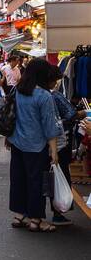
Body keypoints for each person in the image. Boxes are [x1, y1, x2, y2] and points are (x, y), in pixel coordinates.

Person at [6, 59, 64, 233]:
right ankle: (36, 220)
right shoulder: (44, 96)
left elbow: (11, 115)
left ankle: (19, 215)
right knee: (37, 182)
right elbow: (49, 126)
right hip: (37, 146)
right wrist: (54, 150)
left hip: (17, 143)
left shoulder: (18, 90)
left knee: (18, 179)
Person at [47, 70, 79, 227]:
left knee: (48, 175)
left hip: (39, 144)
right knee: (60, 173)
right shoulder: (54, 95)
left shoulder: (29, 92)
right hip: (59, 141)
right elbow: (71, 114)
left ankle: (34, 213)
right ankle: (58, 212)